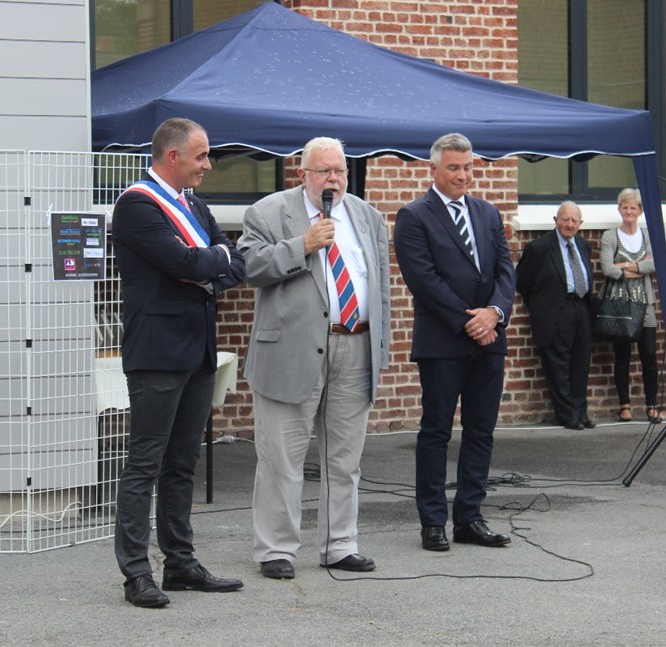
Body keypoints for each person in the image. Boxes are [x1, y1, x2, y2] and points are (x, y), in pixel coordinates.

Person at [238, 136, 391, 580]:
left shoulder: (367, 216)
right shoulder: (267, 212)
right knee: (281, 458)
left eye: (340, 171)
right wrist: (301, 245)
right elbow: (248, 268)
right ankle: (276, 550)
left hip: (355, 345)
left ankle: (339, 544)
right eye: (323, 171)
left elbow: (378, 288)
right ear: (301, 174)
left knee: (344, 458)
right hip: (289, 351)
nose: (333, 179)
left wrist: (379, 350)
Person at [112, 117, 246, 608]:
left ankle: (181, 563)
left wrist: (207, 263)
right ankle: (136, 573)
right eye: (202, 156)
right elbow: (187, 264)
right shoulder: (136, 206)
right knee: (145, 463)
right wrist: (207, 262)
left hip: (197, 349)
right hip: (157, 352)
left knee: (182, 463)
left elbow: (234, 261)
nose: (207, 165)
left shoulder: (194, 205)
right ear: (174, 157)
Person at [393, 133, 516, 552]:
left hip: (489, 340)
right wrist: (469, 320)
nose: (463, 175)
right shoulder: (414, 216)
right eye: (454, 168)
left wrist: (494, 314)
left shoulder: (488, 213)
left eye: (468, 167)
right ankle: (433, 522)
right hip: (443, 341)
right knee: (436, 432)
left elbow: (505, 271)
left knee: (481, 431)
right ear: (434, 169)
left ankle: (470, 517)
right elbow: (423, 279)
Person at [517, 201, 594, 431]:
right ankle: (567, 415)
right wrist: (542, 305)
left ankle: (581, 412)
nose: (569, 224)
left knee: (580, 364)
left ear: (580, 224)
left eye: (574, 220)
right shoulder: (540, 247)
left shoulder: (583, 245)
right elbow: (523, 282)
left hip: (580, 308)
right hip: (553, 312)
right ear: (555, 220)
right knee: (558, 366)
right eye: (565, 219)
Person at [600, 188, 660, 423]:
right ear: (619, 209)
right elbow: (608, 269)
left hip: (645, 305)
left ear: (640, 211)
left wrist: (624, 265)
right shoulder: (610, 236)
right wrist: (637, 266)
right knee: (622, 356)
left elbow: (654, 265)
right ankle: (624, 405)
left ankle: (651, 405)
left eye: (633, 207)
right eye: (624, 207)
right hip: (620, 306)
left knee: (648, 356)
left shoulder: (648, 235)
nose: (628, 211)